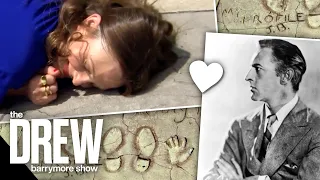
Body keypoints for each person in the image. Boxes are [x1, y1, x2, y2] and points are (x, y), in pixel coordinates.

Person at [1, 0, 178, 106]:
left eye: (92, 84)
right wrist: (19, 88)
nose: (77, 81)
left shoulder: (62, 11)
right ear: (91, 23)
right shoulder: (20, 54)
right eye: (85, 64)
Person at [203, 39, 320, 180]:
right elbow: (212, 175)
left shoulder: (315, 130)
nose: (248, 77)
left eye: (258, 69)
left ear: (285, 76)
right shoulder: (240, 126)